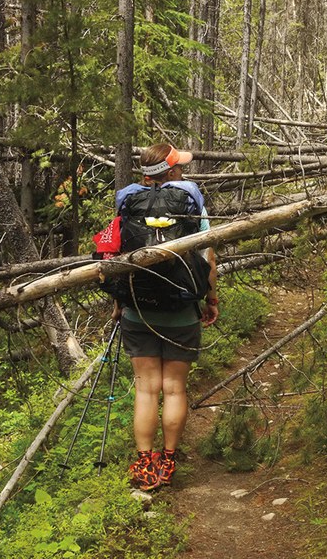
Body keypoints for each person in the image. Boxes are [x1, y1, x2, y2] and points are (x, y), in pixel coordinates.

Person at [112, 143, 219, 491]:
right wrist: (211, 299)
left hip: (137, 310)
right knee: (174, 389)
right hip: (181, 311)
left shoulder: (128, 203)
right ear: (170, 172)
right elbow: (208, 258)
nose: (183, 172)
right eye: (180, 167)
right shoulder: (190, 203)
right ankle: (169, 460)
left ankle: (145, 462)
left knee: (146, 390)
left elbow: (116, 256)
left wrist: (119, 303)